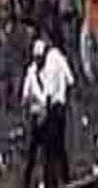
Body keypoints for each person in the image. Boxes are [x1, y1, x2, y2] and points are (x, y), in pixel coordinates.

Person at [20, 36, 73, 188]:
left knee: (54, 149)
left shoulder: (51, 67)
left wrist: (45, 111)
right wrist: (31, 108)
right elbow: (25, 96)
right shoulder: (31, 72)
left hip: (52, 114)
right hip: (37, 116)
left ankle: (57, 180)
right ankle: (27, 181)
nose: (39, 61)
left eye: (40, 58)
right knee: (33, 152)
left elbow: (51, 94)